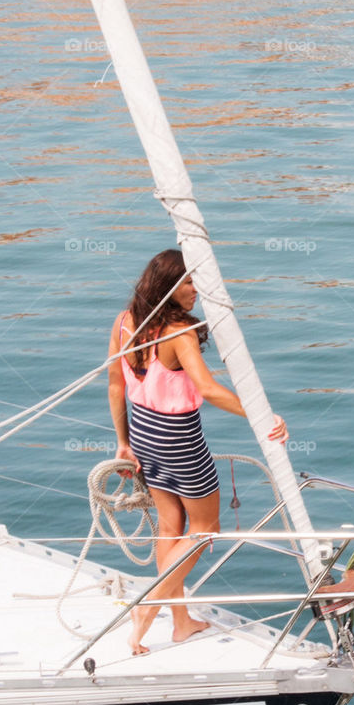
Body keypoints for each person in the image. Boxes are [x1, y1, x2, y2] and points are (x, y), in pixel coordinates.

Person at [108, 249, 288, 655]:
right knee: (205, 528)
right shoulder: (179, 332)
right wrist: (262, 415)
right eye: (189, 282)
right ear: (168, 286)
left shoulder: (124, 323)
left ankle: (181, 621)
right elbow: (207, 388)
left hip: (143, 434)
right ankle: (148, 608)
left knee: (171, 528)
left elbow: (116, 384)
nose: (196, 290)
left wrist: (123, 442)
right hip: (179, 440)